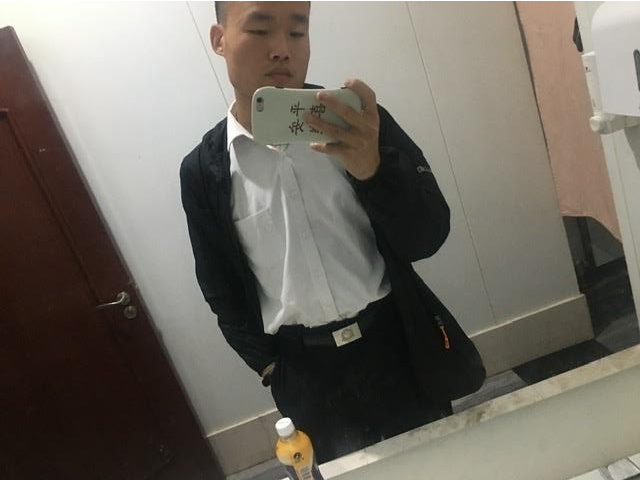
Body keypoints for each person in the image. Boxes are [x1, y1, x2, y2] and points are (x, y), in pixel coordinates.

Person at [180, 1, 453, 463]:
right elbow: (219, 286)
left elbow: (428, 236)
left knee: (439, 463)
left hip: (395, 344)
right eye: (260, 30)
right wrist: (269, 367)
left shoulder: (358, 126)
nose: (282, 49)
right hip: (304, 373)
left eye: (297, 31)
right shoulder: (204, 172)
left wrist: (373, 170)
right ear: (219, 40)